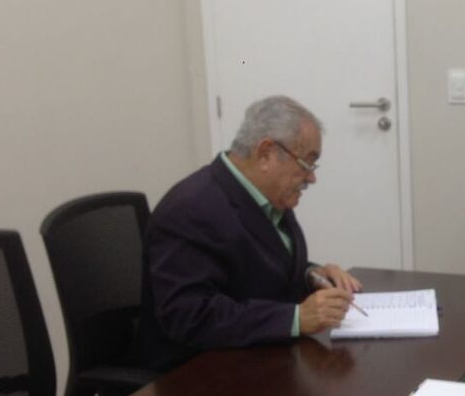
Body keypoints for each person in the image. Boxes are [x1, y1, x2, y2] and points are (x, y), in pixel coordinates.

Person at [142, 95, 360, 371]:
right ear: (266, 153)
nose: (311, 178)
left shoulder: (266, 196)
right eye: (306, 164)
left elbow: (257, 269)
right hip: (198, 375)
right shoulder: (190, 209)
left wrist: (312, 274)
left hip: (258, 356)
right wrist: (295, 318)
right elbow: (189, 315)